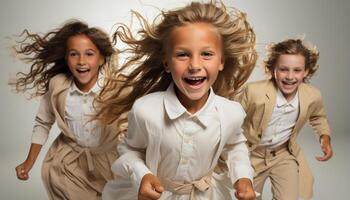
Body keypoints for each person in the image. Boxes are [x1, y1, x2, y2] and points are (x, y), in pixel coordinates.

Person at [97, 1, 258, 200]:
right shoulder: (145, 110)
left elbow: (235, 146)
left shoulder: (231, 113)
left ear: (222, 62)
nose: (195, 65)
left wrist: (243, 177)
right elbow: (130, 149)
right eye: (182, 55)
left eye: (207, 54)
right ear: (167, 62)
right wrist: (142, 174)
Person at [13, 20, 125, 199]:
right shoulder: (58, 86)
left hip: (111, 165)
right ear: (66, 58)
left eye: (89, 54)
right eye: (74, 54)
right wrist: (29, 162)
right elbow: (43, 123)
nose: (81, 61)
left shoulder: (119, 88)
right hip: (69, 164)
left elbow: (139, 126)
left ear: (102, 58)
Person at [237, 38, 333, 200]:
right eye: (283, 69)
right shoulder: (253, 92)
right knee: (247, 197)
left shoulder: (312, 96)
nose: (290, 76)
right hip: (251, 155)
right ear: (272, 69)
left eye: (297, 70)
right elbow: (231, 120)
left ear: (306, 71)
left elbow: (318, 117)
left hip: (283, 154)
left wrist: (325, 138)